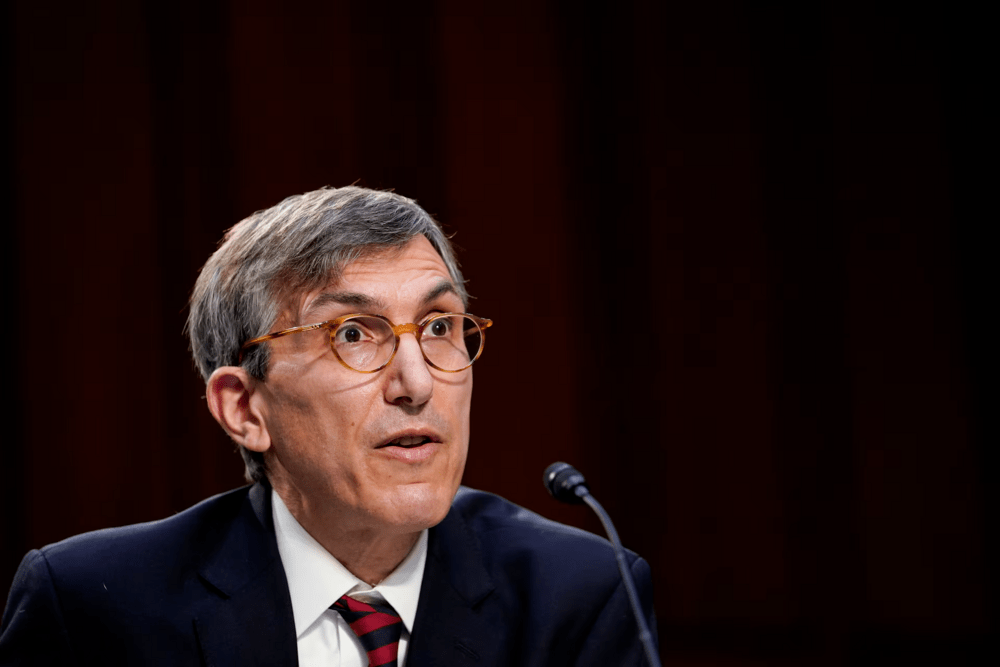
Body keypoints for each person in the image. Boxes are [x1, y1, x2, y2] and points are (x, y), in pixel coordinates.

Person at [0, 186, 657, 666]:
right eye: (352, 333)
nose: (418, 382)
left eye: (438, 327)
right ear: (244, 408)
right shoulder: (95, 609)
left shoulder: (581, 598)